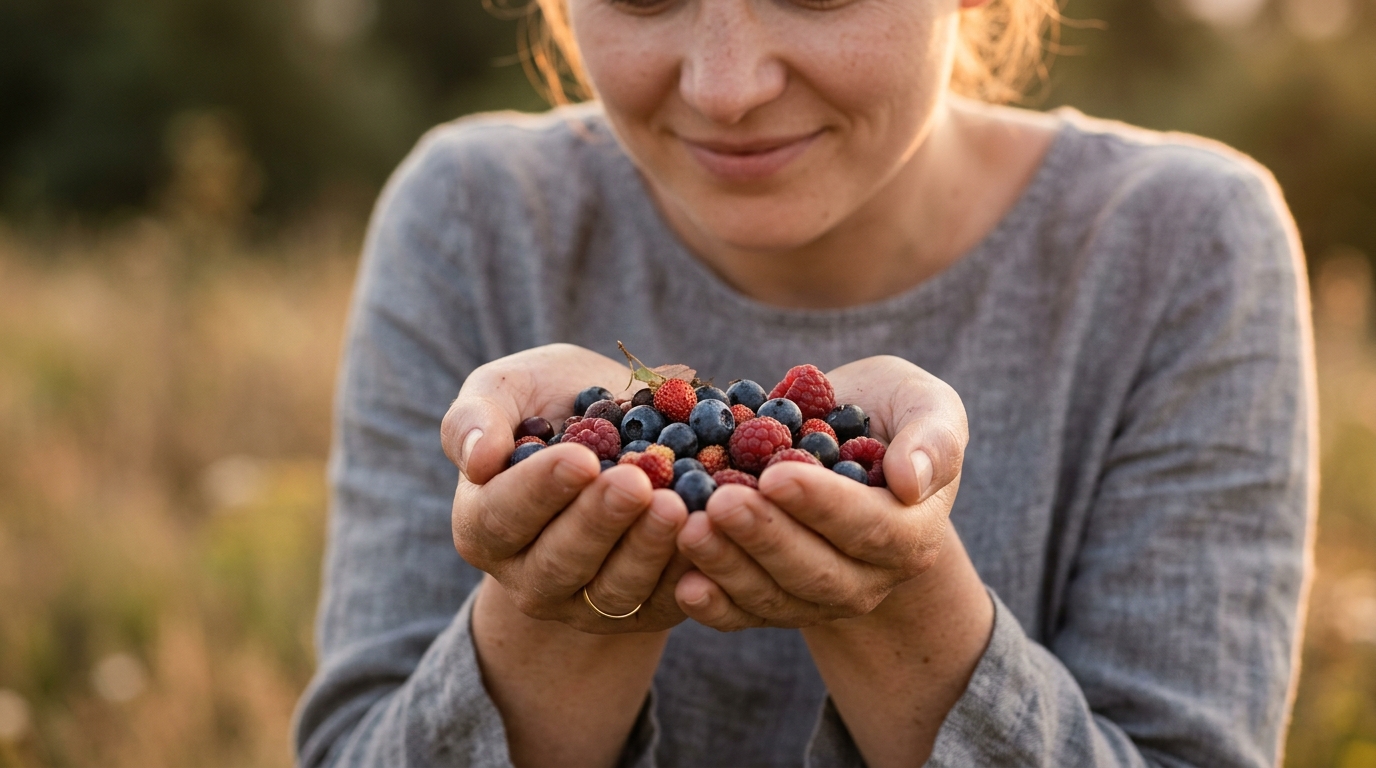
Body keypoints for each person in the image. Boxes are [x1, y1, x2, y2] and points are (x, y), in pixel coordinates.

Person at [292, 0, 1316, 764]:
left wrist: (898, 601)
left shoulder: (1180, 247)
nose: (726, 86)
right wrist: (554, 608)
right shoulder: (474, 219)